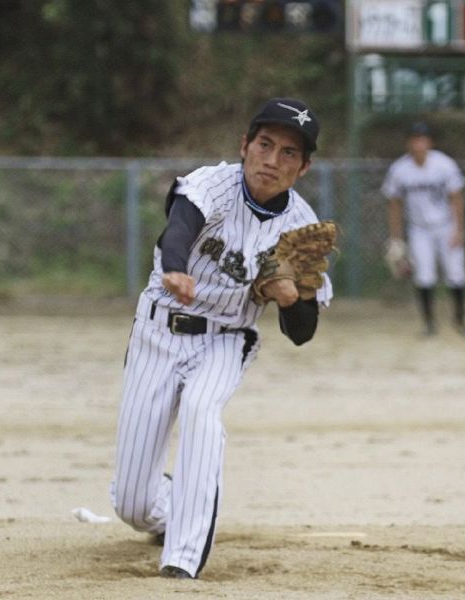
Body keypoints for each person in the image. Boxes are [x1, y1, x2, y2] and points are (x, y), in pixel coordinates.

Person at [110, 97, 333, 580]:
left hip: (226, 339)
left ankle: (183, 559)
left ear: (304, 167)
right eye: (265, 144)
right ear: (245, 145)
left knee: (201, 413)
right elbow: (178, 229)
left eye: (289, 153)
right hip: (157, 331)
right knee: (130, 503)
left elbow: (303, 332)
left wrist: (292, 297)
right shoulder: (213, 184)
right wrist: (174, 269)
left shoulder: (303, 230)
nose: (272, 160)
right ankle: (170, 512)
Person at [381, 121, 465, 337]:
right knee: (424, 276)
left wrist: (458, 230)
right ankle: (429, 324)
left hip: (446, 226)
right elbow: (394, 204)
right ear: (408, 143)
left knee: (456, 273)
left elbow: (456, 198)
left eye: (422, 139)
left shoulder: (444, 165)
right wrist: (396, 238)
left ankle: (460, 322)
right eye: (414, 139)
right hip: (419, 229)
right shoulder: (400, 169)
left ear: (429, 142)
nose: (418, 144)